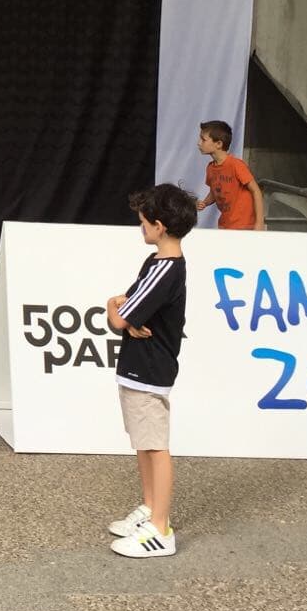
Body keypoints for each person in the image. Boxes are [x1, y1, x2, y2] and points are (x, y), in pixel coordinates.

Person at [104, 183, 195, 559]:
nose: (141, 227)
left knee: (156, 446)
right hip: (137, 368)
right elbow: (130, 311)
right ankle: (149, 508)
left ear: (159, 226)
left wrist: (111, 306)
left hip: (149, 369)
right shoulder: (156, 264)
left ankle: (160, 529)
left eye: (143, 222)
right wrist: (125, 315)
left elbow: (120, 315)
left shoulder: (164, 270)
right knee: (143, 443)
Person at [196, 120, 264, 231]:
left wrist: (259, 223)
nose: (199, 143)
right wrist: (205, 203)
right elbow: (214, 192)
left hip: (244, 225)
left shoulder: (236, 165)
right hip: (225, 225)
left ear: (219, 144)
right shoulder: (210, 168)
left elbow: (256, 191)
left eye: (203, 140)